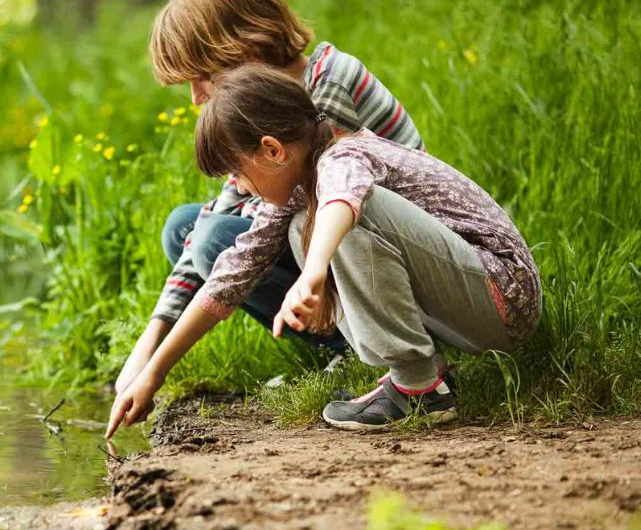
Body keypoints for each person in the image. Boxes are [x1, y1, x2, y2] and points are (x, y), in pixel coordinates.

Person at [106, 64, 542, 437]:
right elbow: (229, 277)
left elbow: (342, 204)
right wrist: (154, 372)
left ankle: (418, 388)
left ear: (272, 151)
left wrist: (312, 274)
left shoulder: (344, 156)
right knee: (301, 227)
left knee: (342, 219)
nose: (237, 187)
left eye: (237, 173)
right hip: (466, 302)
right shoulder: (296, 189)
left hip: (502, 296)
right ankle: (426, 376)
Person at [115, 0, 427, 396]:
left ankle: (363, 344)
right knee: (185, 228)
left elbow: (269, 228)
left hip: (390, 253)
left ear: (246, 54)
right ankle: (339, 347)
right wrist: (148, 345)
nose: (195, 97)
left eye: (203, 77)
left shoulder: (325, 88)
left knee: (216, 240)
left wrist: (158, 367)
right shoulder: (260, 109)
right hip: (329, 237)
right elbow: (223, 209)